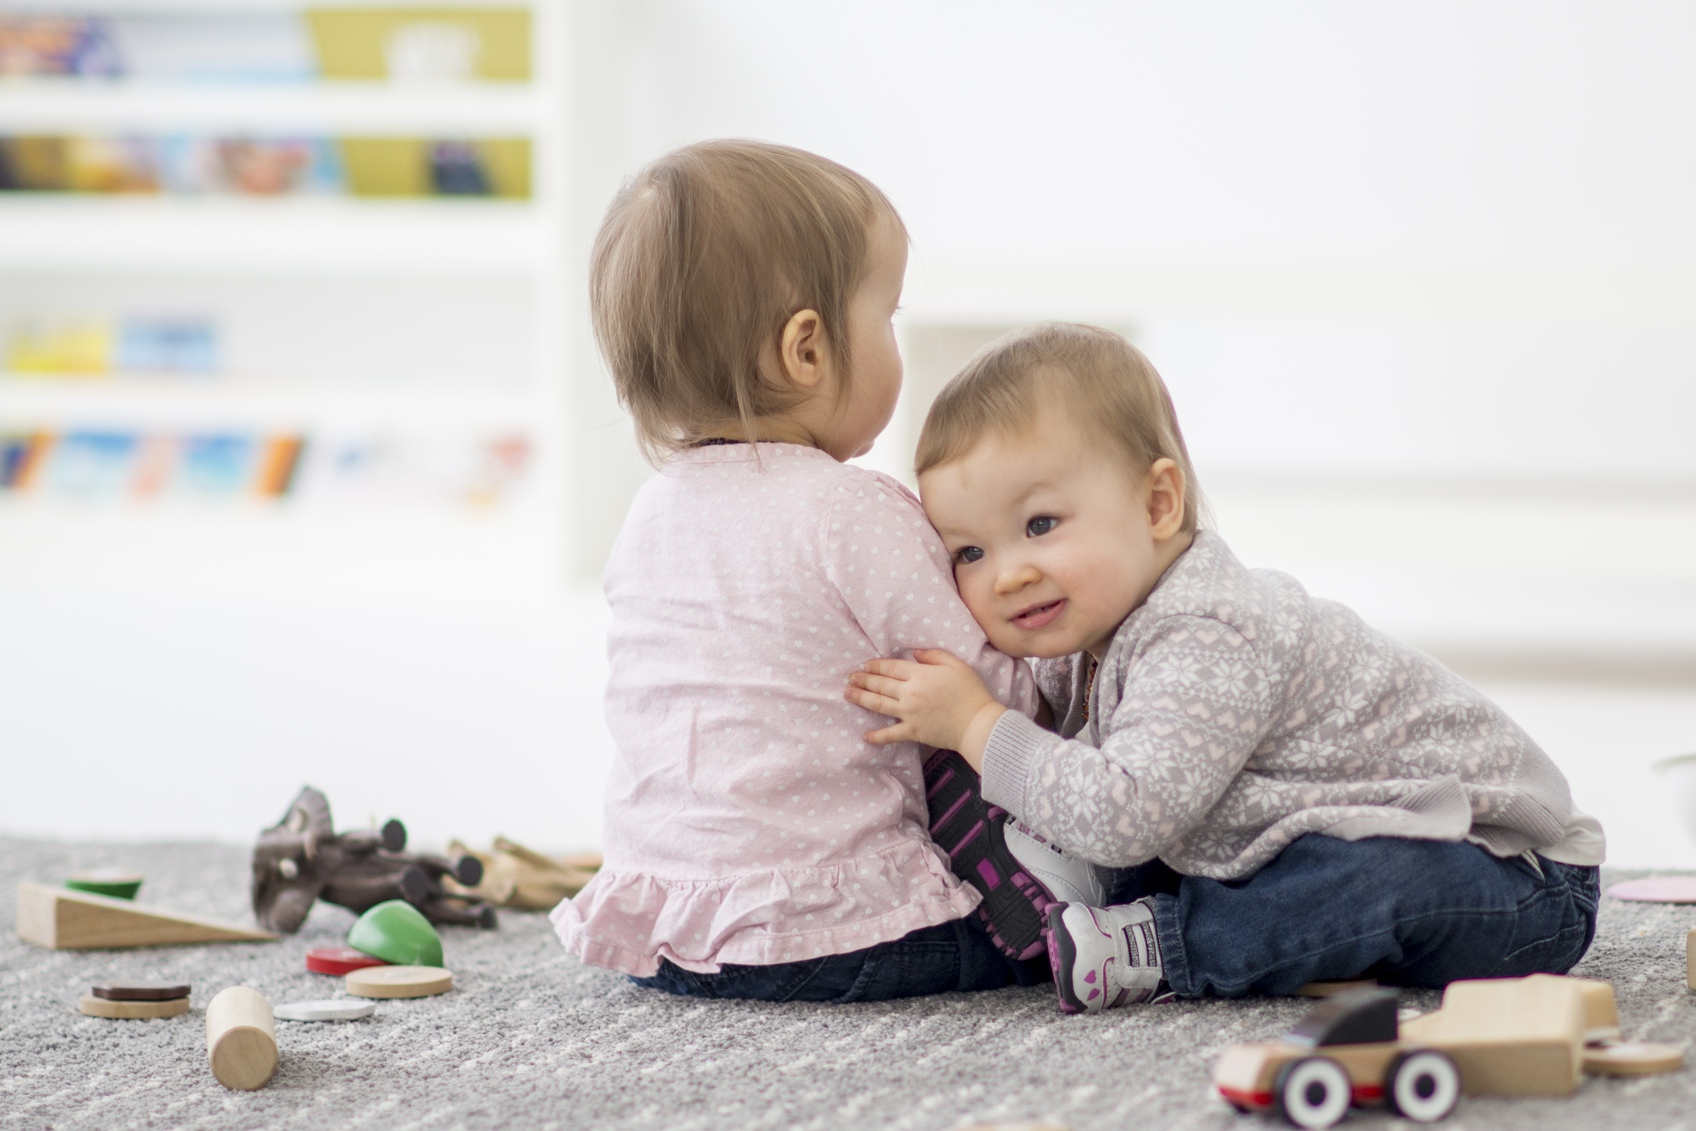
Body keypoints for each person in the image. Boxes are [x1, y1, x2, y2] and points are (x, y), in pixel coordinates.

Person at [845, 322, 1605, 1013]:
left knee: (1375, 884)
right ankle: (1117, 895)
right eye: (969, 552)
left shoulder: (1210, 633)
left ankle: (1168, 945)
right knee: (1258, 868)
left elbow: (1125, 811)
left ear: (1158, 503)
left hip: (1512, 876)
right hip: (1313, 832)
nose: (1007, 574)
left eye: (1041, 524)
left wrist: (978, 725)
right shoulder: (1093, 630)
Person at [553, 140, 1063, 1002]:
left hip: (670, 933)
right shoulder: (850, 509)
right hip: (829, 931)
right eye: (888, 316)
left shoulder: (649, 514)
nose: (895, 339)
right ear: (806, 350)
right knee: (1066, 915)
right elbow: (995, 698)